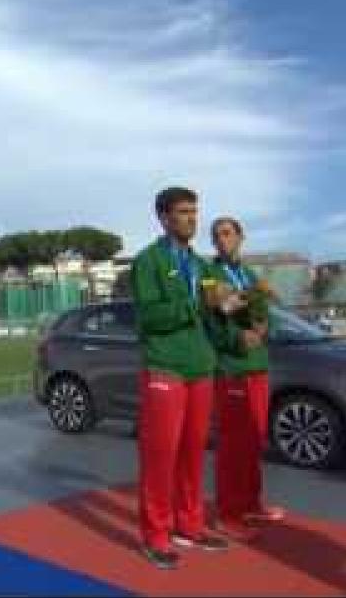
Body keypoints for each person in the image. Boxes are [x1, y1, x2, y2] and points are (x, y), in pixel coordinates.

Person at [129, 187, 259, 569]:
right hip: (165, 366)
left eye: (194, 211)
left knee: (192, 454)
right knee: (160, 456)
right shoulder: (148, 262)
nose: (192, 219)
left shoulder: (201, 266)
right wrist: (195, 304)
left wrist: (238, 334)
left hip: (201, 369)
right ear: (164, 217)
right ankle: (155, 534)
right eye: (183, 212)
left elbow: (215, 316)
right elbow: (149, 318)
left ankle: (189, 523)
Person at [208, 216, 285, 542]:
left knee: (255, 438)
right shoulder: (208, 275)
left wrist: (264, 328)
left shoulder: (250, 273)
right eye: (216, 236)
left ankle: (252, 503)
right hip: (231, 367)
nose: (222, 239)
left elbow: (267, 315)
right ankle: (227, 513)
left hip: (257, 366)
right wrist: (239, 338)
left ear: (241, 237)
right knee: (232, 444)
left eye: (227, 233)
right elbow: (217, 311)